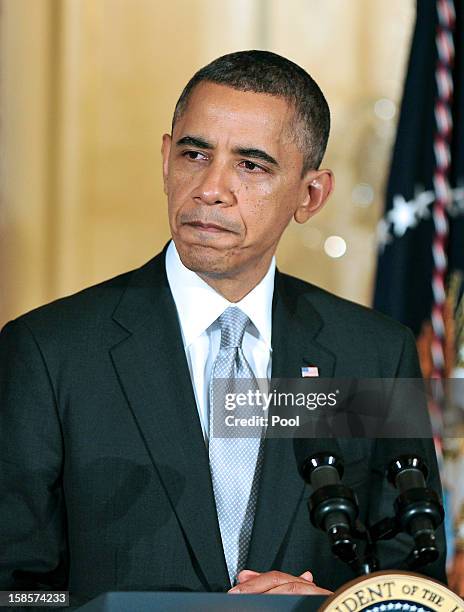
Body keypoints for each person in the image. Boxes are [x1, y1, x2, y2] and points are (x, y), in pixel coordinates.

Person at [0, 50, 446, 606]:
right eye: (194, 153)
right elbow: (12, 591)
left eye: (250, 165)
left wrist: (335, 606)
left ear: (311, 195)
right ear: (166, 159)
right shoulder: (49, 352)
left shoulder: (374, 354)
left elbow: (416, 584)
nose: (210, 188)